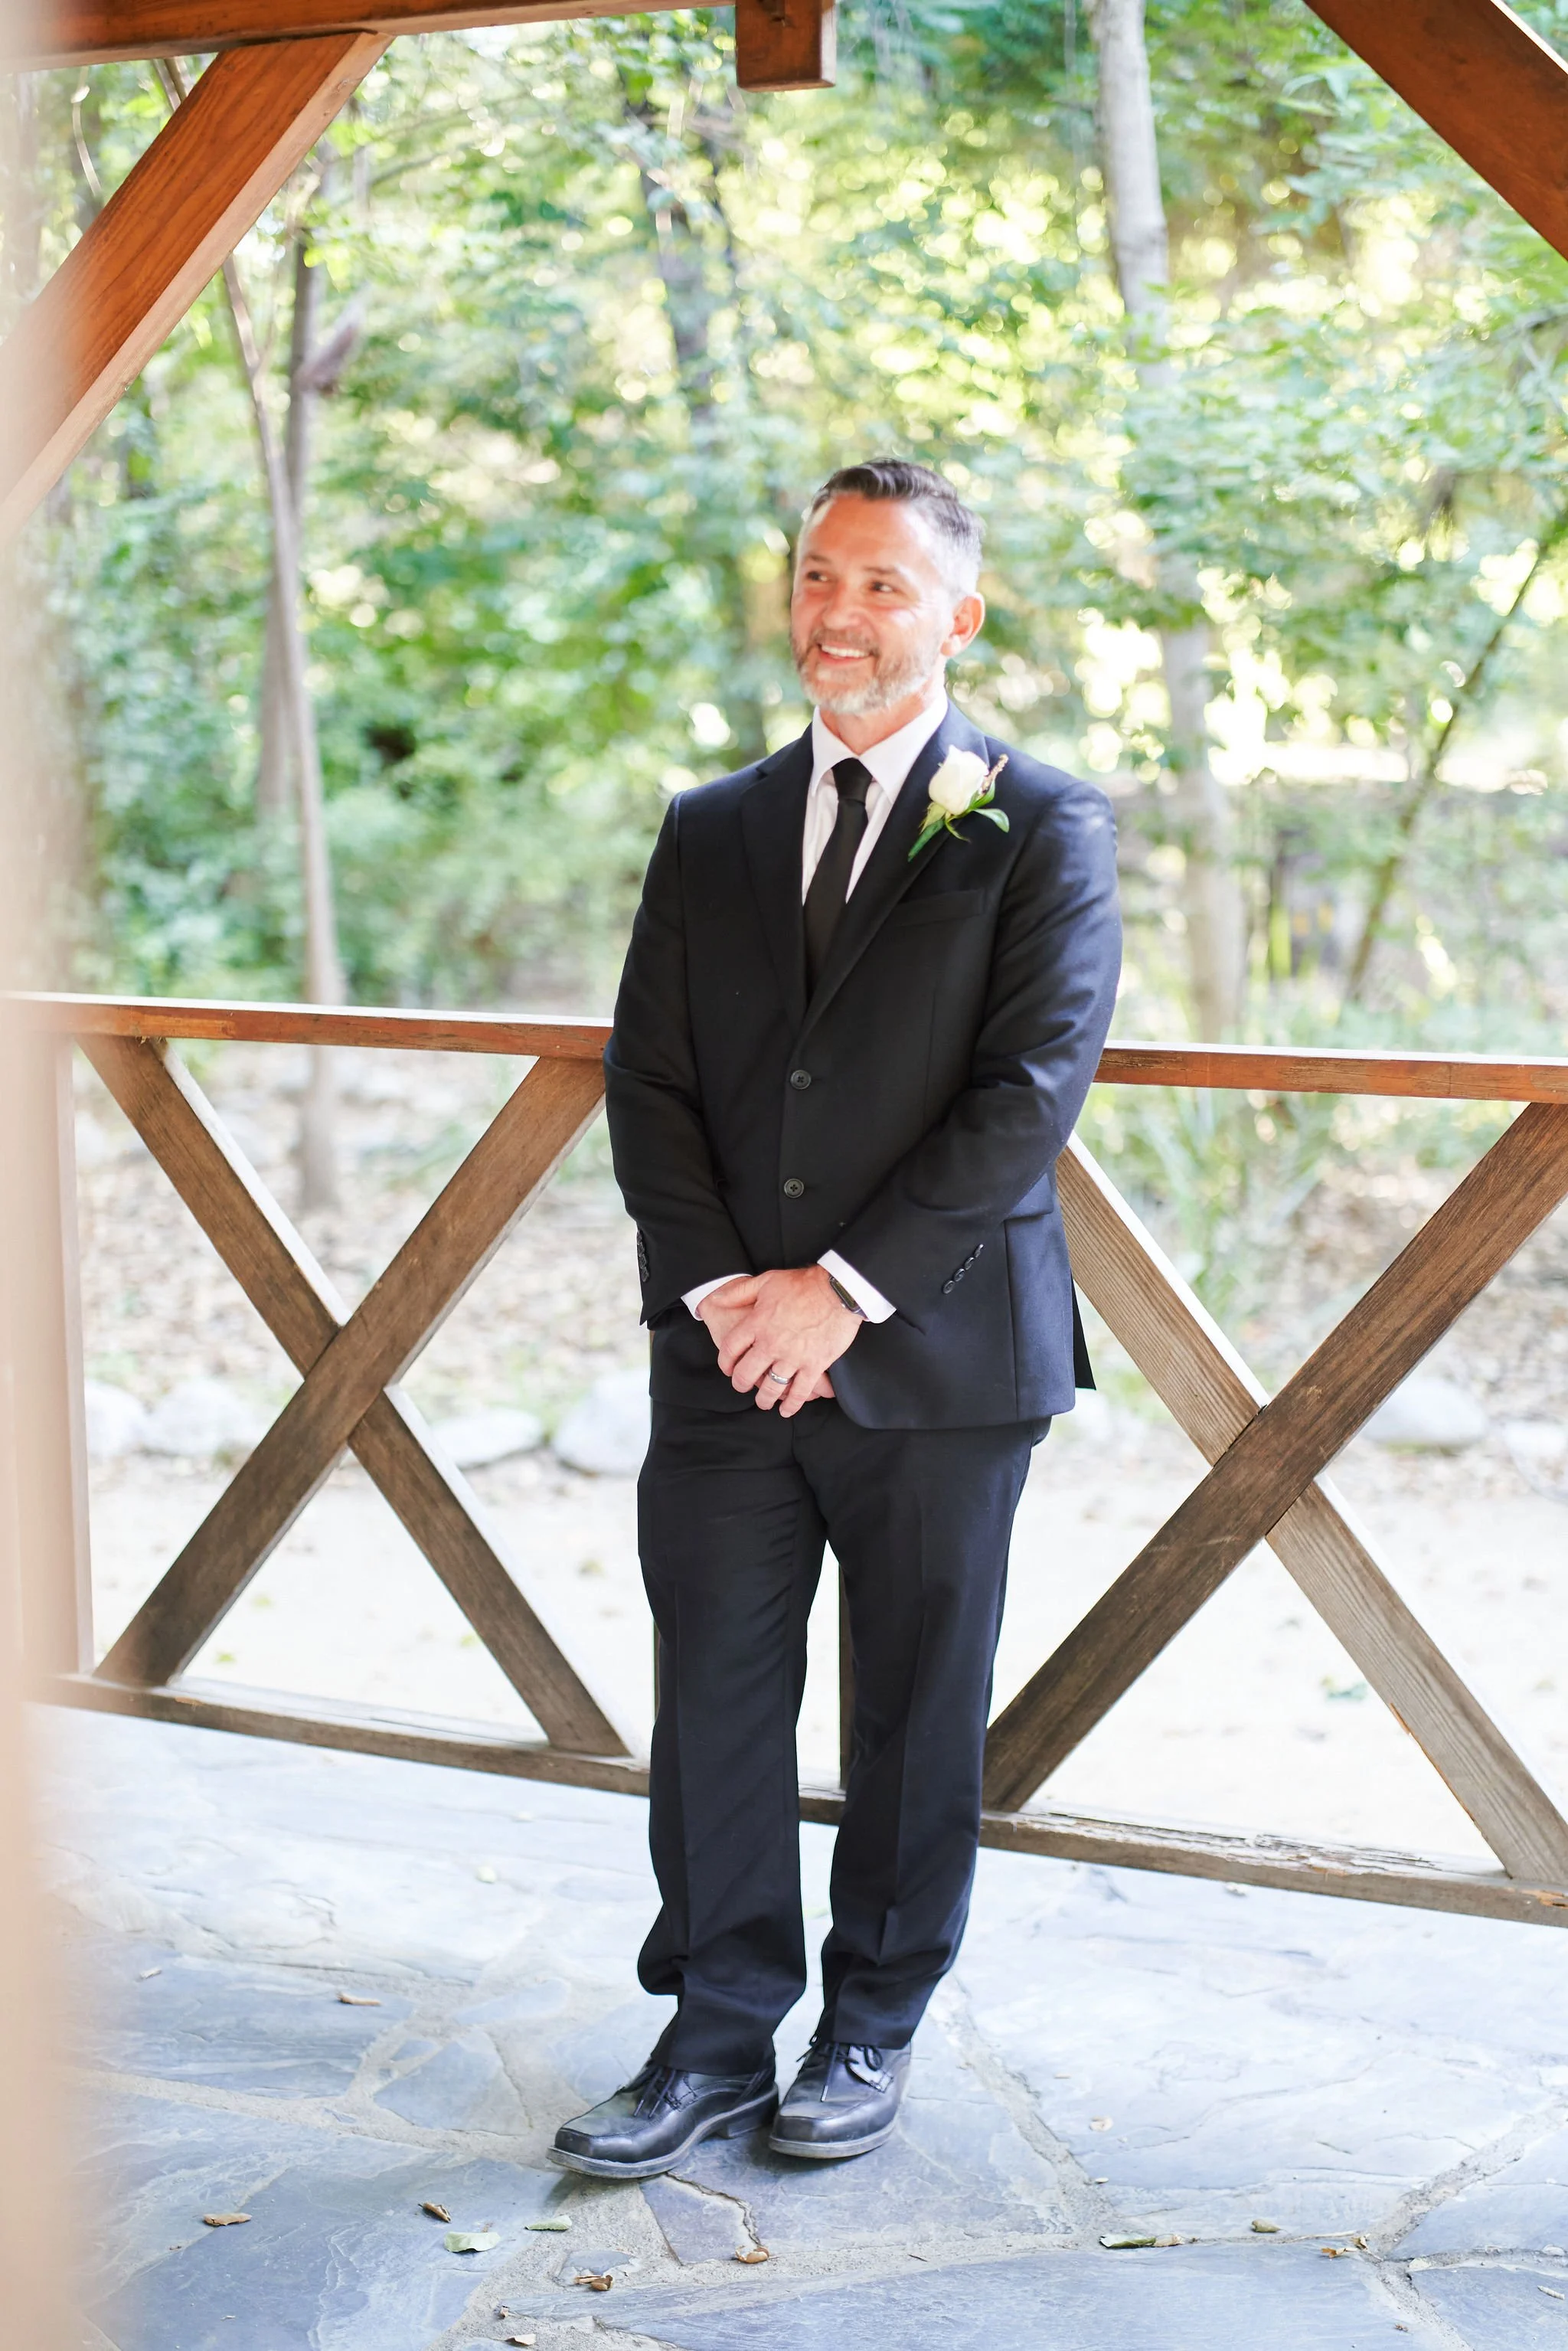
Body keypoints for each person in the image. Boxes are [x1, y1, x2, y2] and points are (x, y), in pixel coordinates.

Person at [550, 458, 1121, 2180]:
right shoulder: (709, 826)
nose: (840, 614)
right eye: (818, 576)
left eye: (883, 584)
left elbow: (1028, 1093)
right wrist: (732, 1295)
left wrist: (842, 1294)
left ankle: (870, 2021)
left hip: (938, 1355)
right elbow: (648, 1077)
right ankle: (714, 2030)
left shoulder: (1042, 823)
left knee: (916, 1708)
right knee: (714, 1698)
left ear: (959, 615)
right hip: (727, 1351)